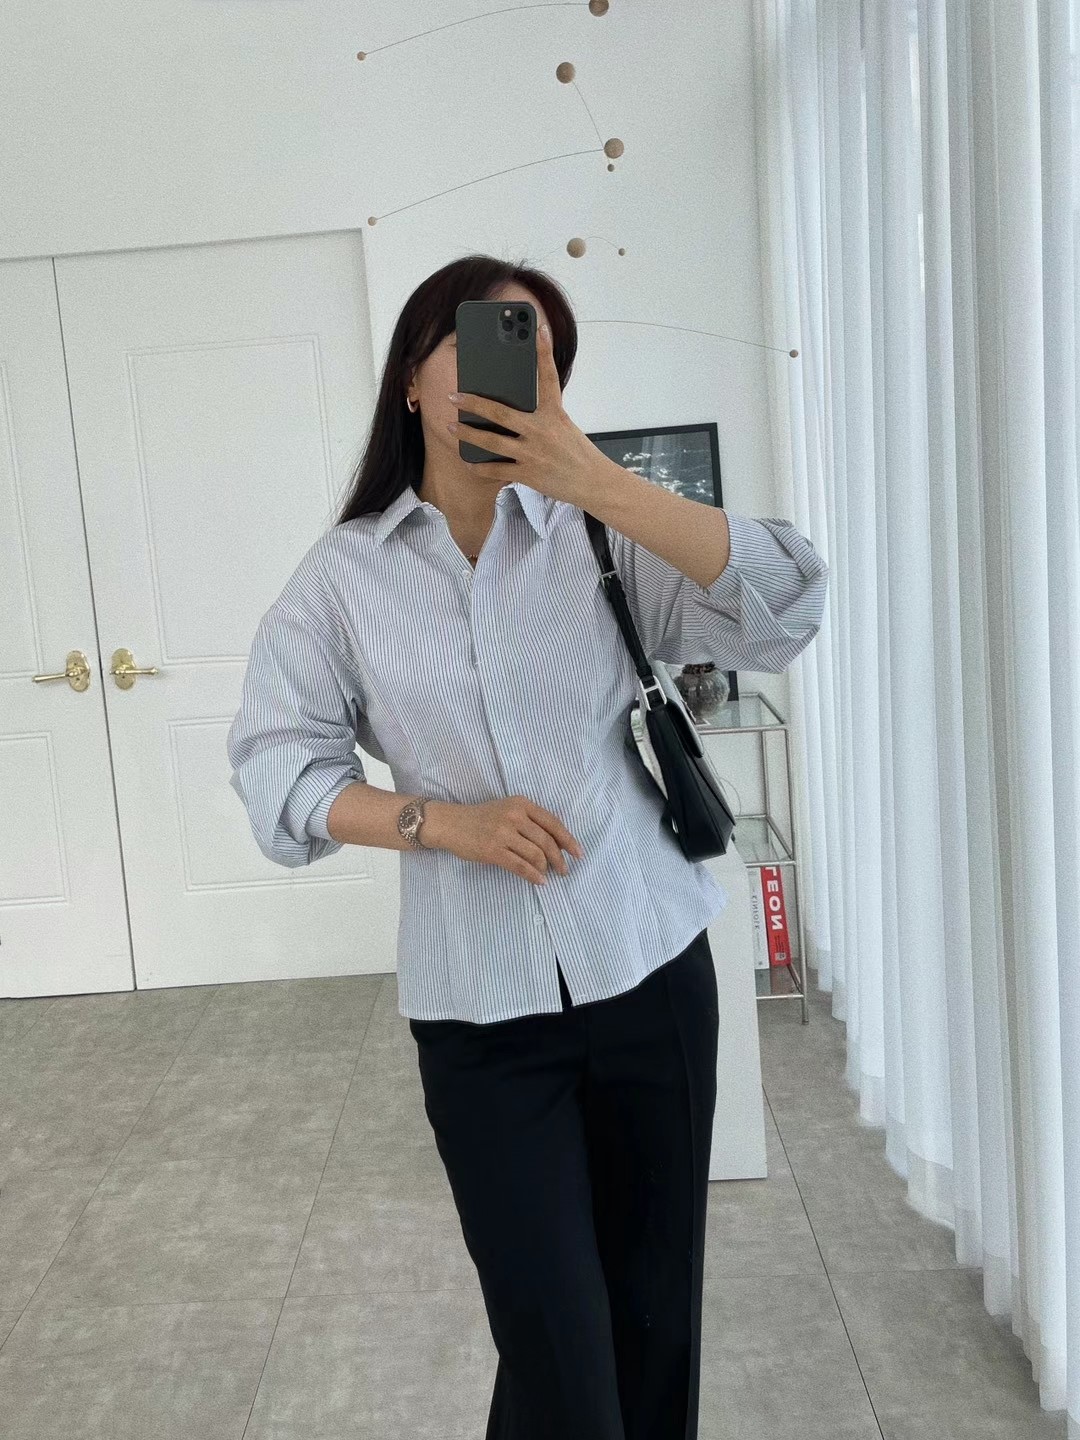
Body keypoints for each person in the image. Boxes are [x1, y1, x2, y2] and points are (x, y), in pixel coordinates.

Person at [226, 253, 829, 1439]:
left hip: (649, 972)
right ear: (412, 379)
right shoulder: (343, 579)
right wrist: (437, 823)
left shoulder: (602, 534)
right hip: (482, 1017)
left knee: (653, 1321)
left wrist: (592, 476)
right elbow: (276, 772)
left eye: (541, 354)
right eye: (487, 342)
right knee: (555, 1345)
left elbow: (788, 602)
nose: (518, 369)